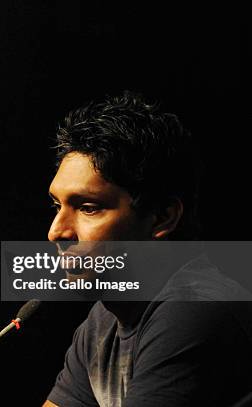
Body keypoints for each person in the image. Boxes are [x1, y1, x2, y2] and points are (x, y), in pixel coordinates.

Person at [42, 91, 252, 407]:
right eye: (57, 205)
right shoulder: (103, 322)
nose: (56, 232)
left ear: (162, 216)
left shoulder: (196, 307)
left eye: (87, 207)